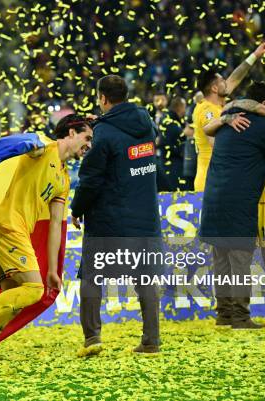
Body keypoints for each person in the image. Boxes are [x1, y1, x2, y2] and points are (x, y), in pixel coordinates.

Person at [0, 114, 93, 372]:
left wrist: (51, 270)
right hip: (7, 226)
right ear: (71, 132)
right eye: (87, 137)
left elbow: (55, 229)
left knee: (13, 302)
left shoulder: (64, 179)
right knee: (33, 291)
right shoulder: (43, 149)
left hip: (15, 232)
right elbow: (20, 144)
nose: (90, 144)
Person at [71, 74, 162, 355]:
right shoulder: (146, 124)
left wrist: (77, 209)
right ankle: (151, 341)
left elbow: (91, 179)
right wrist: (104, 123)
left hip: (110, 218)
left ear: (102, 98)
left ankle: (92, 338)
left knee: (91, 277)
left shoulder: (104, 135)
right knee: (145, 278)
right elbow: (127, 146)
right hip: (146, 216)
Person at [199, 82, 265, 329]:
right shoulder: (263, 125)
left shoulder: (227, 119)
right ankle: (241, 317)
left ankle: (224, 315)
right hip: (239, 201)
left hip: (213, 198)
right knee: (240, 260)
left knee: (220, 260)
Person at [192, 41, 265, 191]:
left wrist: (256, 54)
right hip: (209, 181)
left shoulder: (219, 102)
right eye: (223, 81)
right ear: (215, 88)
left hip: (221, 177)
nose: (227, 82)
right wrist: (227, 120)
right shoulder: (205, 110)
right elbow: (214, 142)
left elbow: (236, 77)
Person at [159, 97, 188, 191]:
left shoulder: (174, 120)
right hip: (172, 163)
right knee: (175, 190)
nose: (185, 110)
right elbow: (168, 141)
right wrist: (184, 133)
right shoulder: (169, 122)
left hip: (172, 161)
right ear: (179, 107)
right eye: (184, 107)